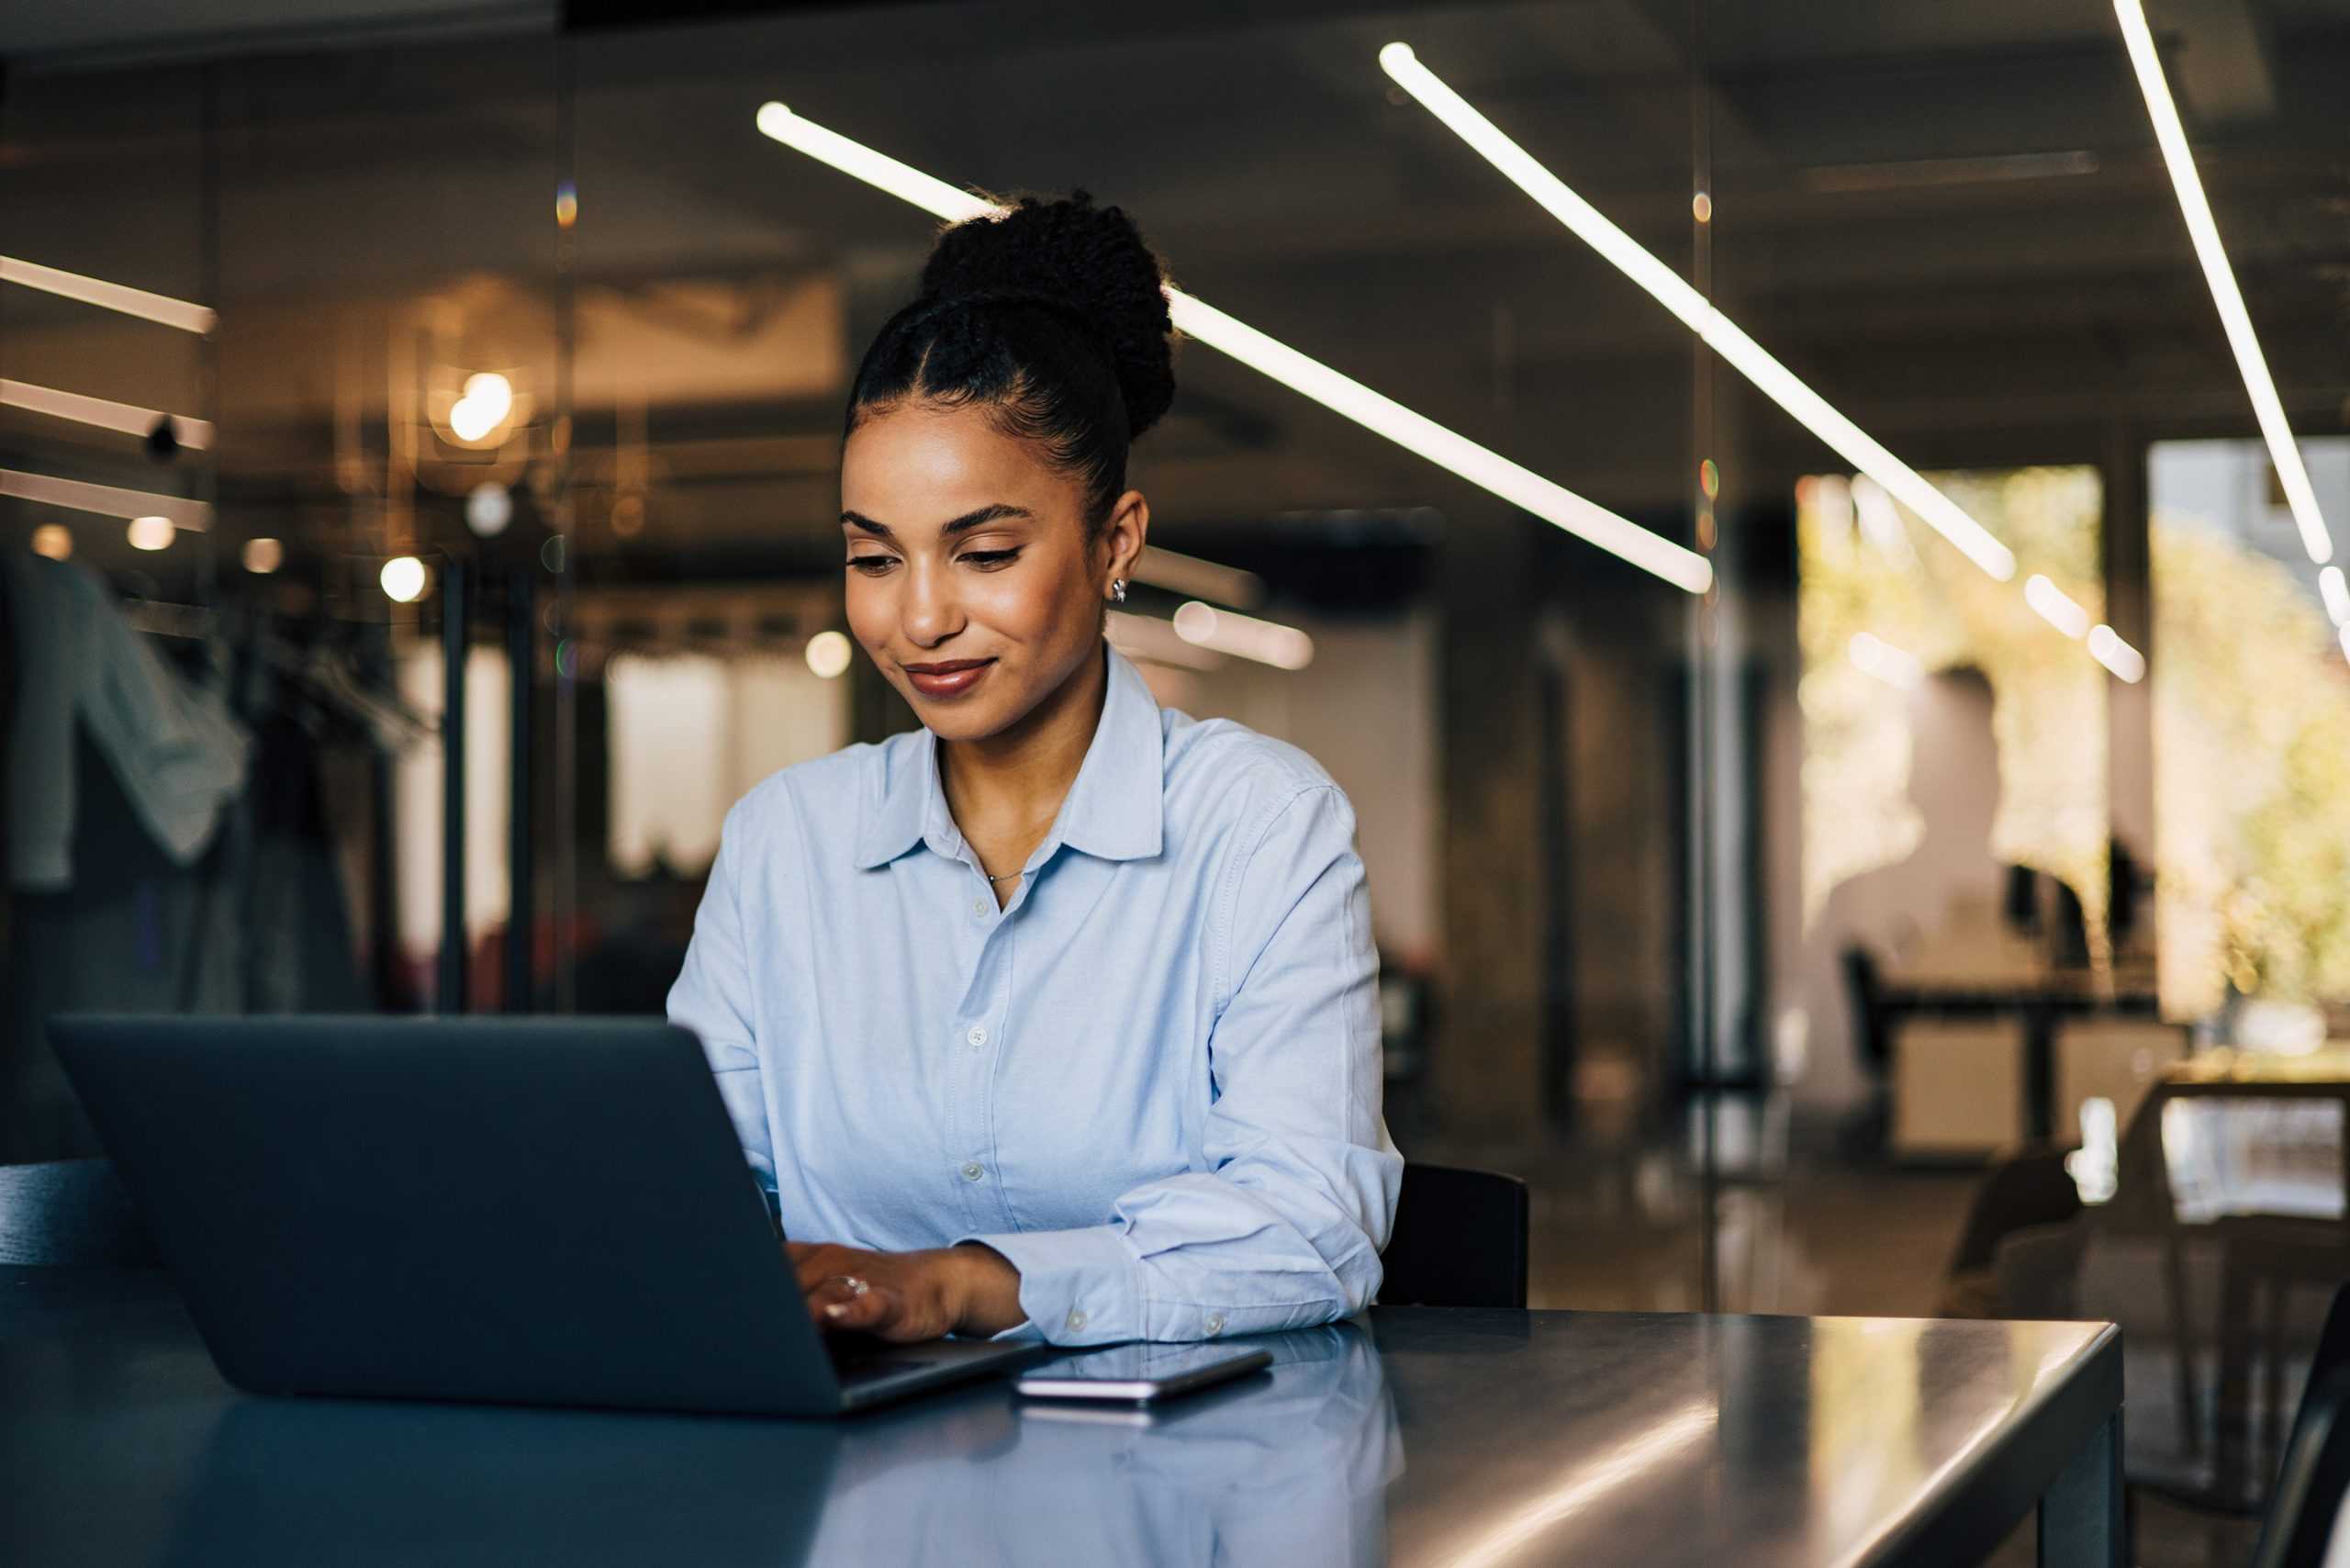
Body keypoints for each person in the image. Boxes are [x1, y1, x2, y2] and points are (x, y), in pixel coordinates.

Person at [666, 193, 1402, 1348]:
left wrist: (958, 1284)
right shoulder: (786, 843)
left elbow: (1308, 1224)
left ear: (1115, 543)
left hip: (1173, 1493)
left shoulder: (1259, 827)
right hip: (852, 1487)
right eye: (872, 556)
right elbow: (684, 1205)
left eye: (986, 553)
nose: (918, 618)